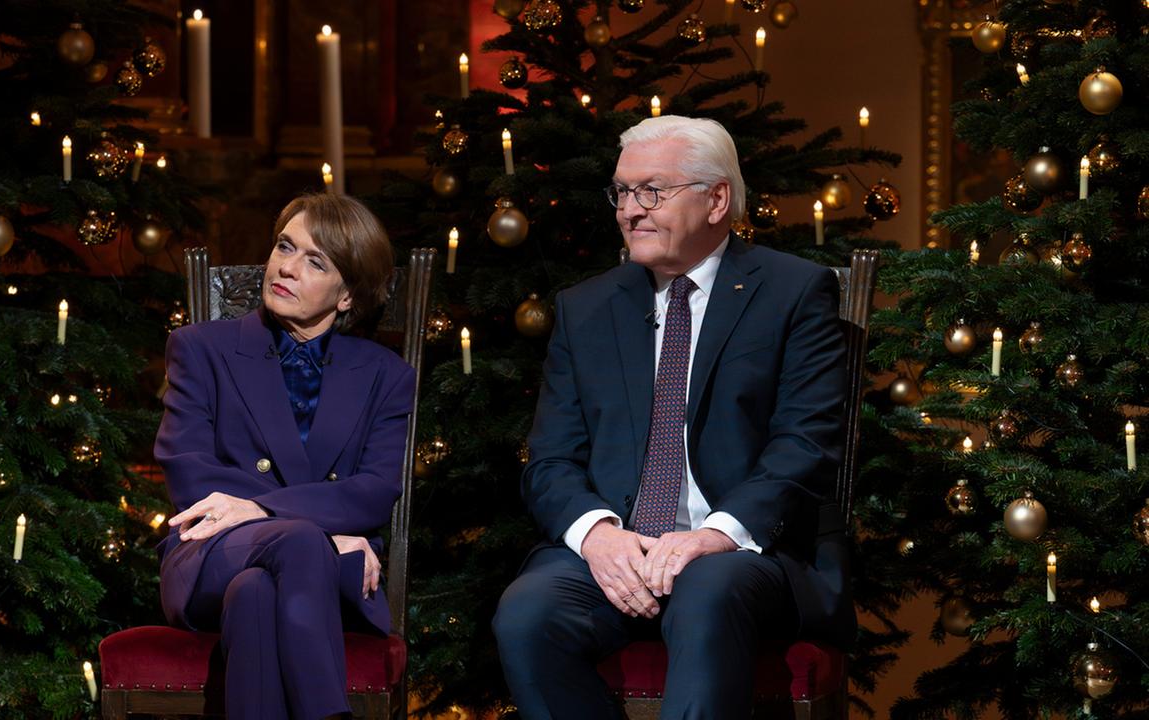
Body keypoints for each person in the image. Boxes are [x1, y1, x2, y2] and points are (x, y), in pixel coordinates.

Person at [491, 115, 852, 719]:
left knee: (708, 591)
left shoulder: (792, 291)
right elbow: (551, 459)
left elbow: (806, 443)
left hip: (745, 550)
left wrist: (715, 536)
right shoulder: (587, 308)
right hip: (622, 544)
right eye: (621, 192)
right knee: (529, 612)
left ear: (717, 200)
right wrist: (598, 536)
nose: (630, 210)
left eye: (651, 191)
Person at [155, 193, 414, 719]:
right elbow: (189, 473)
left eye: (315, 262)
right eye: (285, 246)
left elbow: (374, 489)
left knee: (255, 594)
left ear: (346, 297)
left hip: (319, 577)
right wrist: (311, 526)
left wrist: (262, 508)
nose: (286, 268)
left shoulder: (387, 375)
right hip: (210, 553)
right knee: (296, 540)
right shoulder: (201, 347)